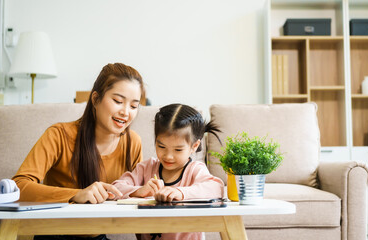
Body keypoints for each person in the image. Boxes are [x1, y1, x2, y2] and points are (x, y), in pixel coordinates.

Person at [12, 62, 144, 220]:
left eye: (134, 106)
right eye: (117, 101)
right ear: (95, 99)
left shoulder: (133, 143)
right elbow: (18, 186)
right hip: (53, 234)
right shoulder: (59, 135)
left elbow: (138, 200)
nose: (125, 112)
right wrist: (76, 195)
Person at [113, 103, 224, 240]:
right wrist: (139, 191)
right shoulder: (147, 168)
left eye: (178, 150)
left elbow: (216, 188)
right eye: (161, 146)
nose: (168, 156)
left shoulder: (194, 169)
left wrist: (180, 192)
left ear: (194, 147)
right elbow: (115, 188)